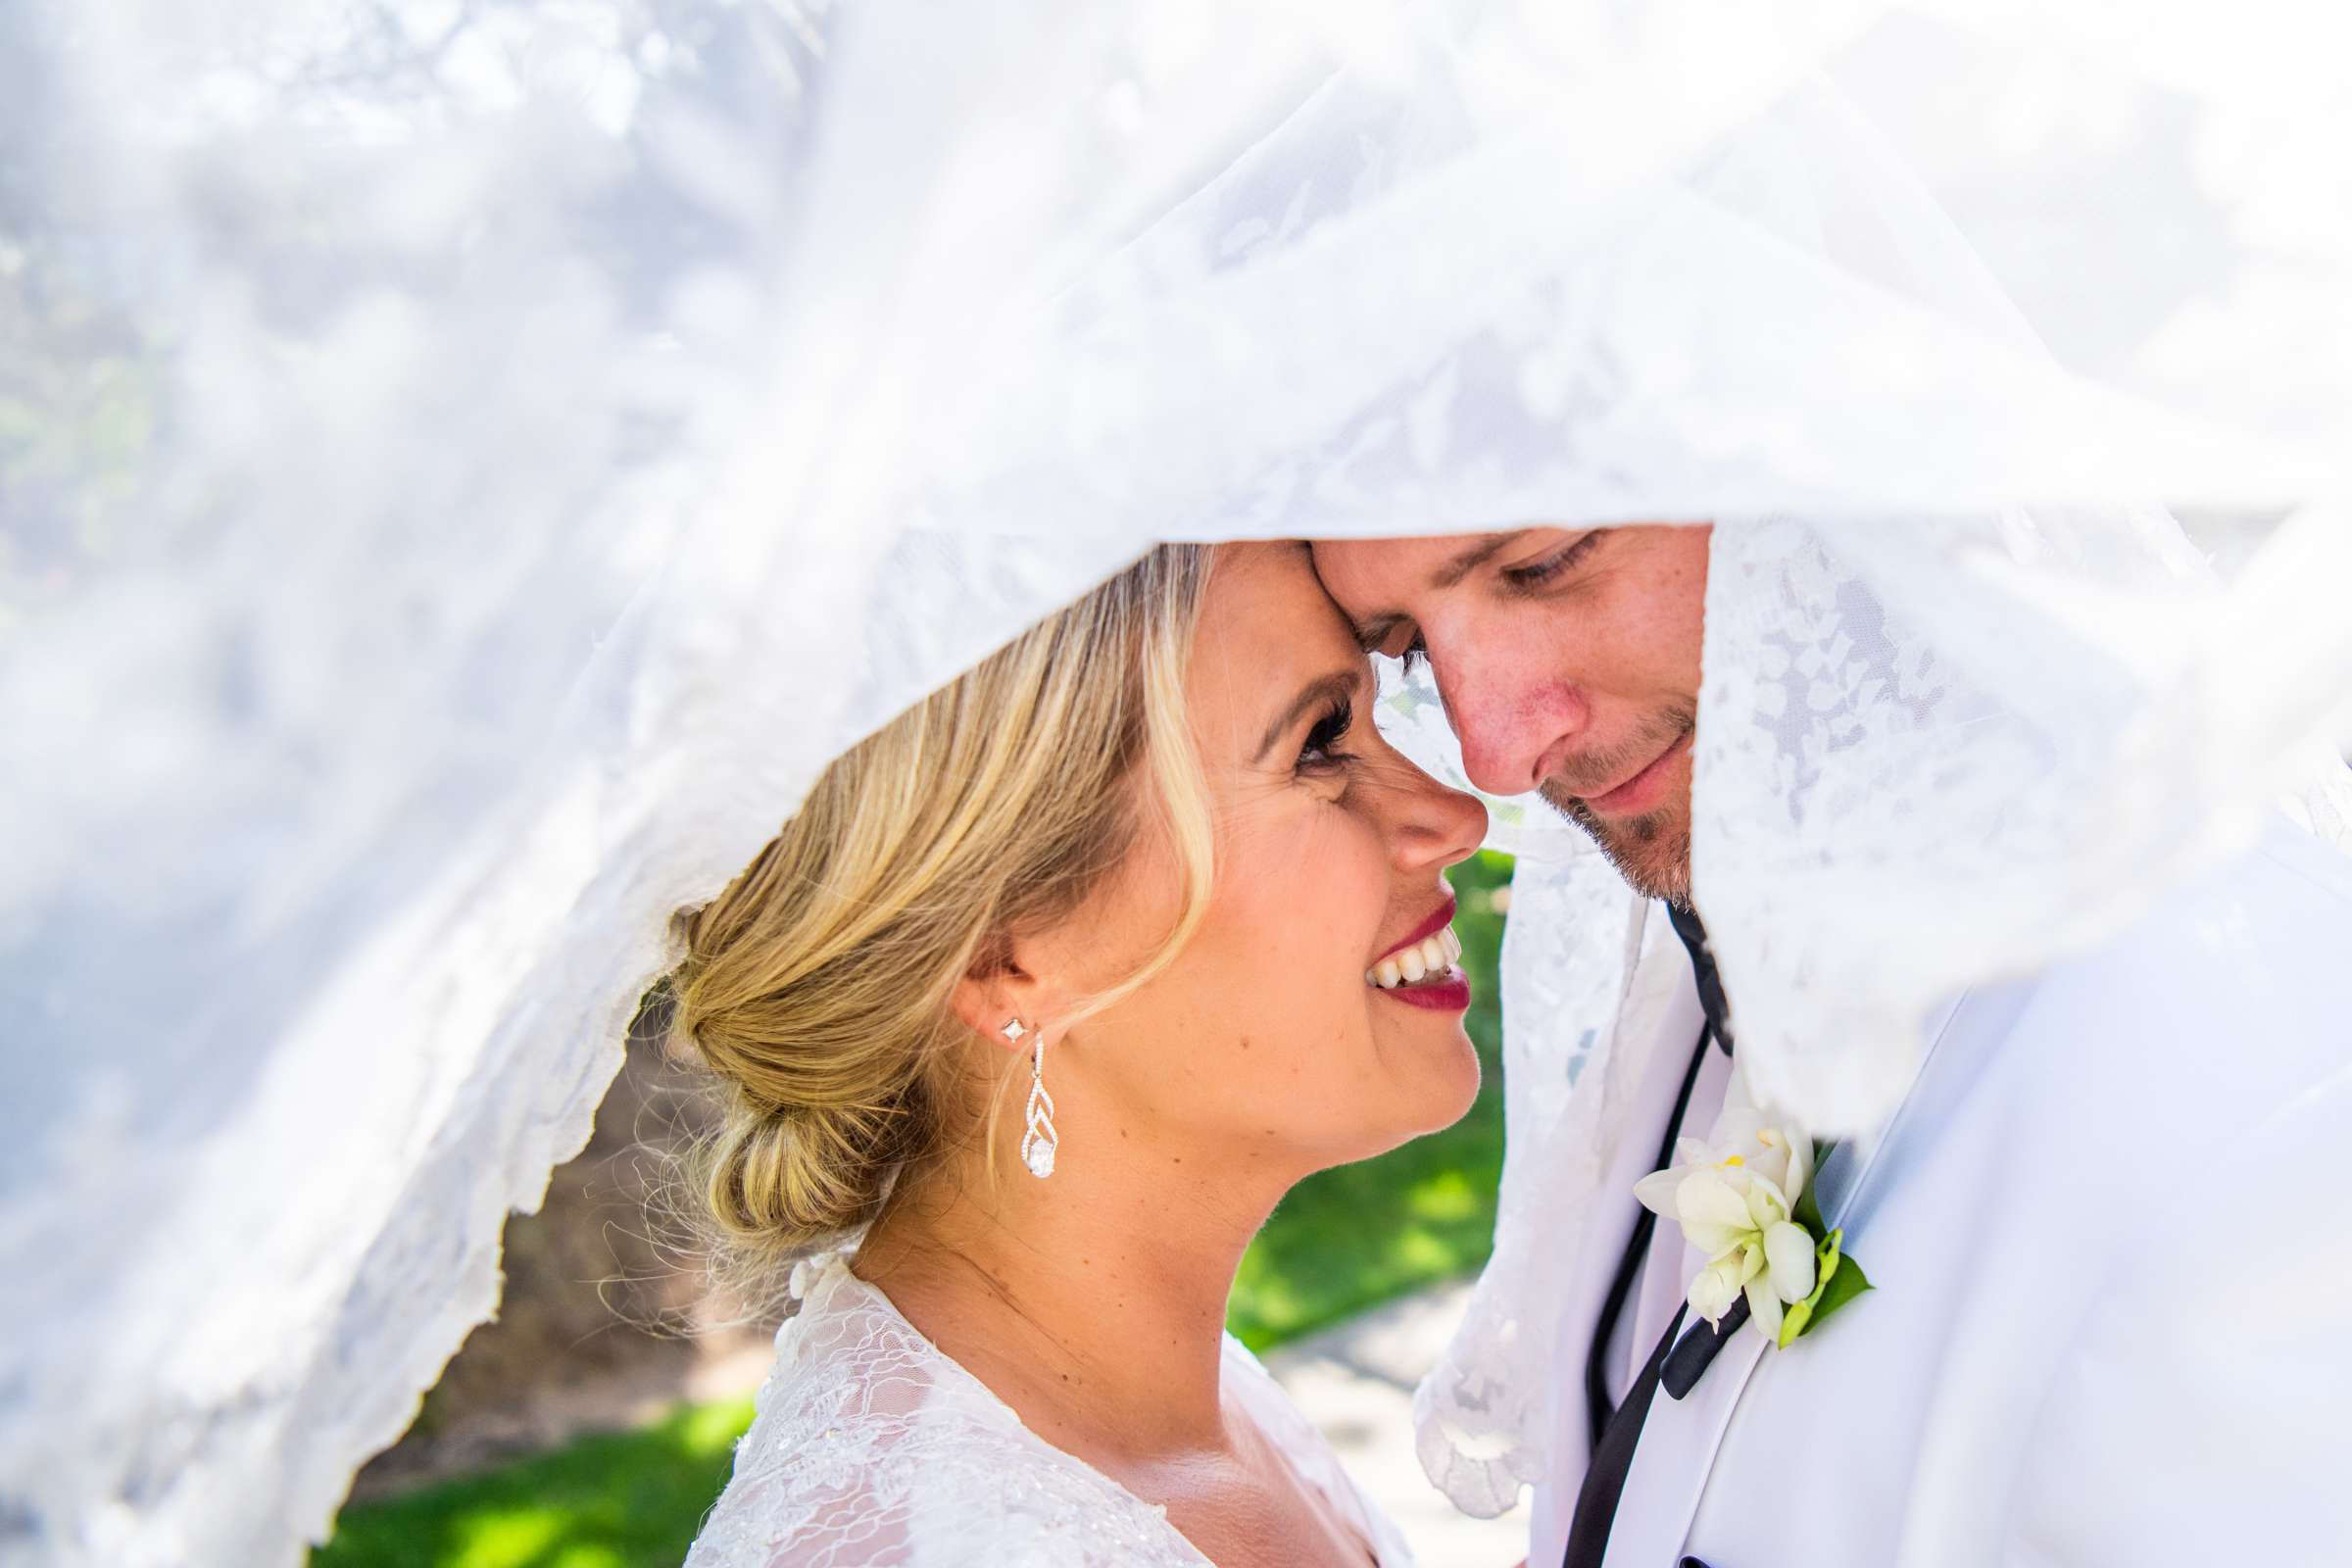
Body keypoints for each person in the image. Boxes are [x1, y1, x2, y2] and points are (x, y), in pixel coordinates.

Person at [1311, 522, 2352, 1567]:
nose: (1494, 751)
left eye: (1543, 564)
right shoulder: (1694, 996)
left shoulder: (2271, 1133)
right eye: (1405, 644)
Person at [669, 541, 1487, 1567]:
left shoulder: (1177, 1409)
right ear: (1010, 955)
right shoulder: (918, 1543)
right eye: (1320, 743)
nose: (1458, 816)